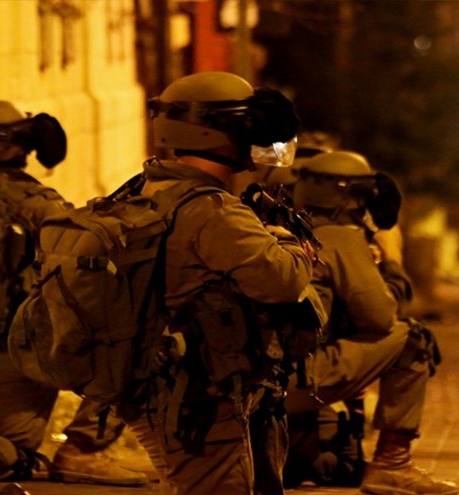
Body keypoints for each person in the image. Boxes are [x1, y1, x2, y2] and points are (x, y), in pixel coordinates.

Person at [0, 100, 149, 485]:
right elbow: (86, 258)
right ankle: (84, 451)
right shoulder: (34, 202)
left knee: (16, 452)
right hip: (29, 349)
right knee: (138, 342)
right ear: (16, 143)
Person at [127, 71, 317, 495]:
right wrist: (289, 241)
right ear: (217, 132)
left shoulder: (146, 187)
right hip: (195, 394)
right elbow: (283, 280)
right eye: (248, 127)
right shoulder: (212, 212)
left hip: (155, 379)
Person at [286, 150, 456, 494]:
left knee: (333, 462)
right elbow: (381, 318)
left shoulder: (283, 228)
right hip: (295, 382)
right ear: (351, 197)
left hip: (252, 385)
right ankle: (393, 465)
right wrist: (391, 258)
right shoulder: (338, 237)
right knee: (413, 338)